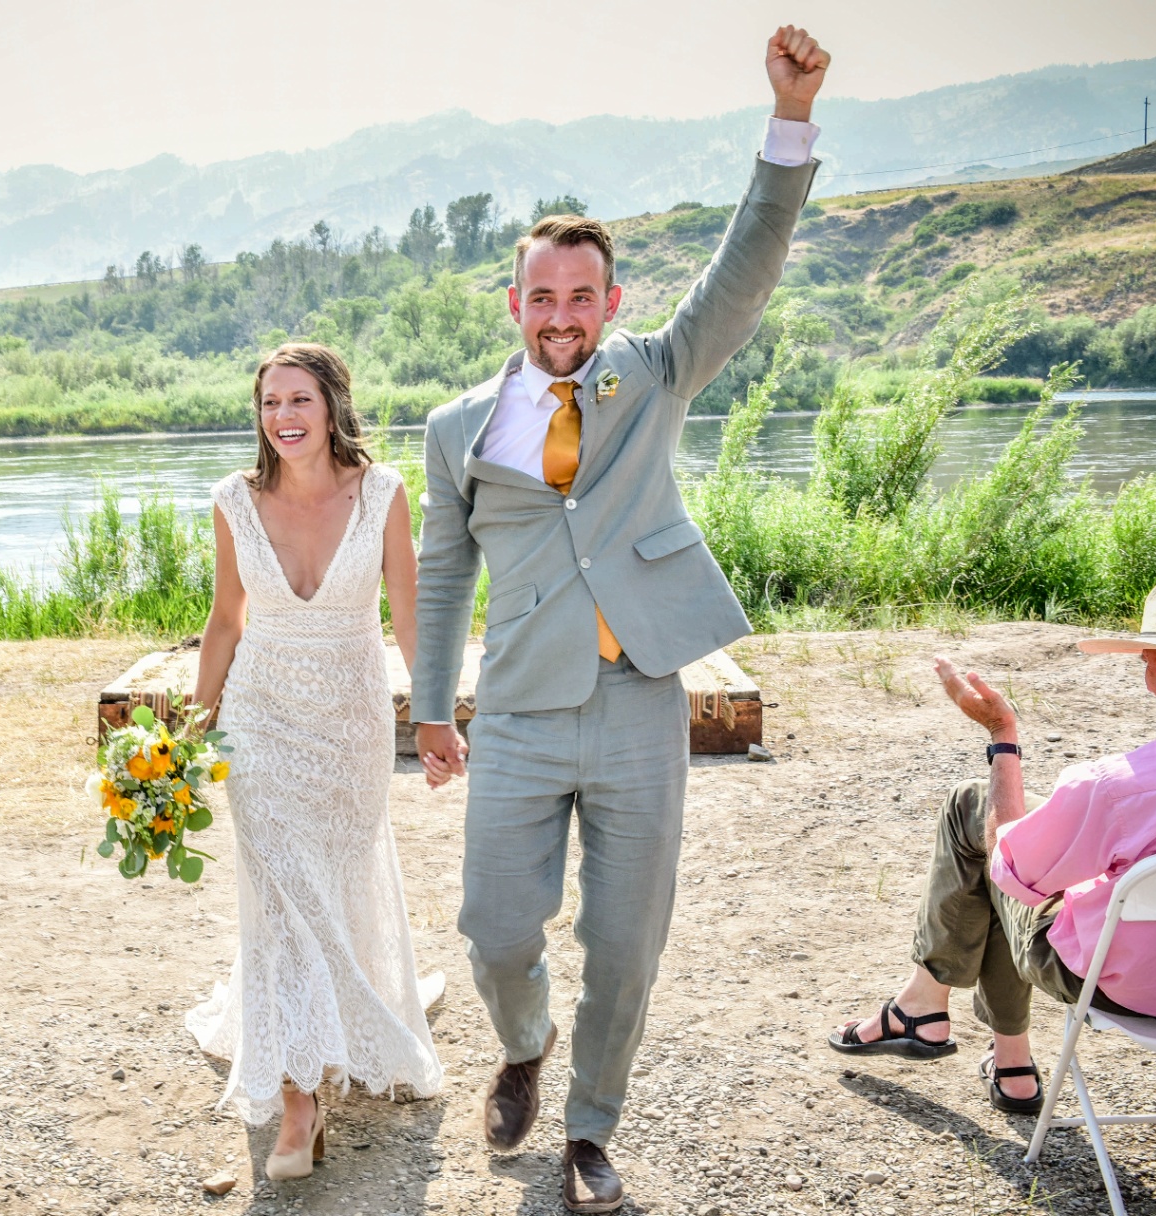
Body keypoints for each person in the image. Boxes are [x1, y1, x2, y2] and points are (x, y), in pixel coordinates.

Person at [408, 26, 829, 1213]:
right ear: (515, 302)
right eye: (542, 294)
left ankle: (590, 1126)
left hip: (642, 696)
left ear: (610, 300)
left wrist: (787, 123)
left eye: (582, 294)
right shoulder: (456, 431)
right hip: (526, 712)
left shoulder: (652, 372)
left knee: (628, 942)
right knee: (495, 925)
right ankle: (524, 1038)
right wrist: (434, 707)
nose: (562, 313)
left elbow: (744, 270)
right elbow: (443, 576)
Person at [828, 561, 1156, 1118]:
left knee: (987, 824)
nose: (1147, 681)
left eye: (1150, 662)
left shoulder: (1116, 787)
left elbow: (1010, 866)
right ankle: (990, 1050)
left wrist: (1003, 736)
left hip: (1131, 991)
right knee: (1038, 862)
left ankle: (936, 1012)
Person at [186, 342, 443, 1181]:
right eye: (269, 404)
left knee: (332, 877)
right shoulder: (233, 500)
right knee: (280, 893)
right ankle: (300, 1103)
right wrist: (194, 724)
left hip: (350, 720)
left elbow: (409, 611)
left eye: (299, 400)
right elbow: (226, 619)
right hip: (260, 720)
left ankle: (352, 1010)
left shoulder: (383, 495)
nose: (284, 418)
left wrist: (434, 713)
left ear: (332, 405)